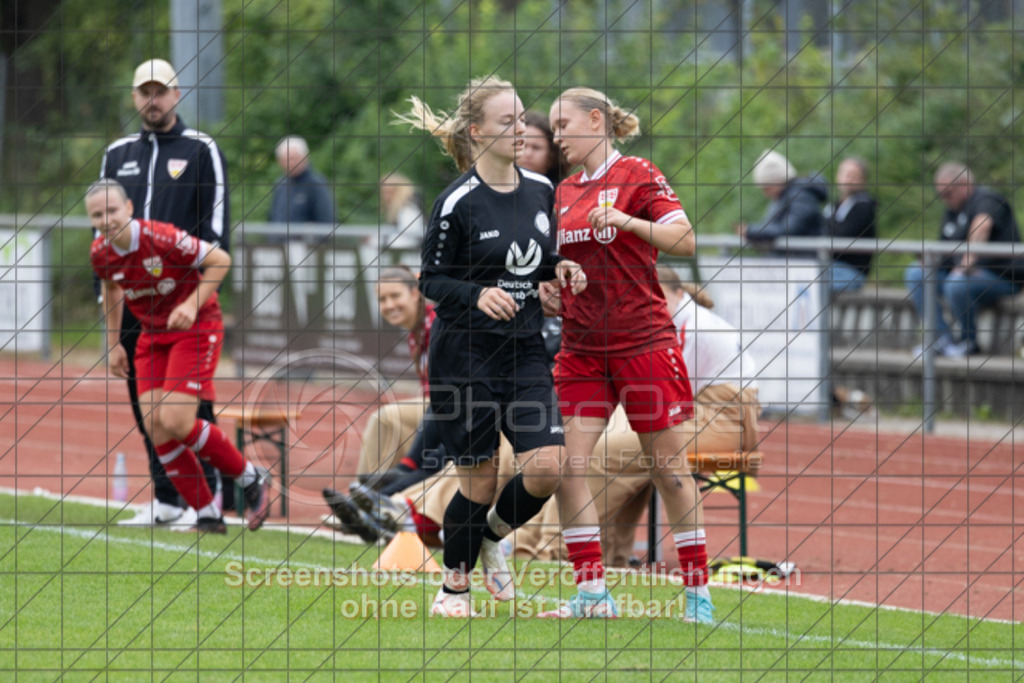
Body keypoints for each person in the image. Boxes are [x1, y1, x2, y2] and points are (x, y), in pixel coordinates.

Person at [395, 76, 602, 619]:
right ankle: (453, 589)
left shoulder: (540, 189)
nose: (520, 129)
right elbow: (431, 281)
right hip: (465, 357)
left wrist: (562, 269)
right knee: (480, 480)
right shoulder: (456, 201)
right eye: (506, 122)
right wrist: (478, 293)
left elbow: (541, 259)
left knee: (548, 467)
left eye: (521, 119)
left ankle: (490, 538)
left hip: (526, 352)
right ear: (476, 131)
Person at [548, 87, 713, 623]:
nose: (556, 136)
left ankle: (697, 597)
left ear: (596, 120)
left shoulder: (639, 172)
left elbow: (684, 240)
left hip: (641, 342)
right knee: (567, 469)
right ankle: (592, 595)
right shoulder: (564, 190)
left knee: (668, 469)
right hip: (580, 349)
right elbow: (560, 265)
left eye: (563, 125)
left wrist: (626, 223)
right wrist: (555, 282)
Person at [87, 179, 270, 533]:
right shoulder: (100, 253)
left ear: (128, 208)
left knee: (177, 420)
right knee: (155, 426)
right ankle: (207, 515)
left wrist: (190, 303)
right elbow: (111, 289)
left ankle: (250, 478)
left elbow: (220, 260)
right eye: (97, 215)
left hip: (197, 326)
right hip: (151, 336)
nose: (106, 219)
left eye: (111, 210)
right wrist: (113, 344)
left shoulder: (163, 236)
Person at [100, 58, 230, 527]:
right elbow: (107, 243)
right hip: (136, 301)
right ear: (134, 97)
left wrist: (198, 295)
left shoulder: (200, 149)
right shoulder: (116, 153)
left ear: (176, 95)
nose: (152, 100)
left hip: (185, 300)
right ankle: (167, 497)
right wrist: (111, 337)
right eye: (144, 92)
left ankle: (212, 497)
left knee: (190, 404)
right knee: (145, 402)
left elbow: (216, 232)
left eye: (161, 91)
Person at [904, 162, 1023, 357]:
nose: (944, 199)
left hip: (1002, 278)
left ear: (964, 185)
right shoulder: (952, 211)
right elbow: (945, 249)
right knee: (917, 273)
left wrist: (966, 263)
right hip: (965, 277)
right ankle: (941, 339)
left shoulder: (988, 199)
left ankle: (969, 342)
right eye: (940, 194)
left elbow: (982, 226)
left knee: (956, 283)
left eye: (948, 193)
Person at [740, 149, 827, 257]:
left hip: (803, 264)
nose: (765, 194)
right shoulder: (784, 198)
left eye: (766, 188)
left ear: (777, 181)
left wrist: (752, 231)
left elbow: (789, 229)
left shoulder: (802, 196)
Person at [824, 157, 877, 296]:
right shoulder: (834, 206)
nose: (847, 179)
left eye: (853, 175)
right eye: (844, 174)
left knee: (812, 285)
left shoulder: (863, 206)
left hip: (850, 272)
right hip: (829, 267)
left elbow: (841, 236)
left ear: (862, 180)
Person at [267, 136, 335, 232]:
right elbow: (272, 220)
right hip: (278, 245)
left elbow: (327, 223)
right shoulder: (280, 185)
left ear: (305, 158)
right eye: (285, 160)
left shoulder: (317, 185)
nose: (289, 163)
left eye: (293, 159)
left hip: (307, 246)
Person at [378, 173, 425, 250]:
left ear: (400, 193)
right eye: (383, 193)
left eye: (389, 192)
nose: (385, 197)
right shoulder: (397, 213)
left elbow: (405, 242)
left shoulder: (408, 212)